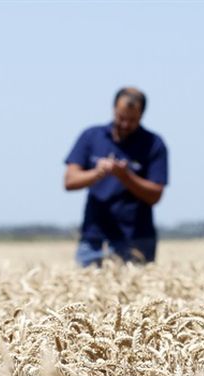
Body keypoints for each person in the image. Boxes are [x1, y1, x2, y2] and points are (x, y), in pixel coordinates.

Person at [63, 87, 169, 266]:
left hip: (137, 239)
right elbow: (69, 181)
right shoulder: (91, 136)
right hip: (94, 239)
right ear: (113, 110)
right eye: (121, 118)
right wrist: (97, 173)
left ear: (142, 115)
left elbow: (155, 194)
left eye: (132, 120)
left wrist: (126, 176)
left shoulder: (153, 144)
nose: (125, 124)